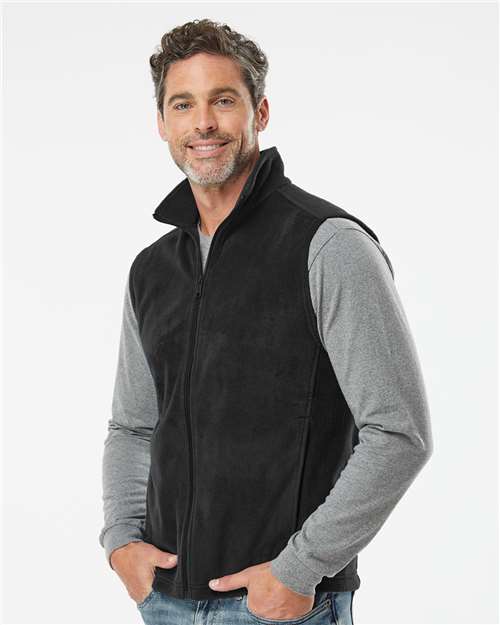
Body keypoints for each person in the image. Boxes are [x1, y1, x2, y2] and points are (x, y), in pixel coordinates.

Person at [99, 18, 433, 625]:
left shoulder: (328, 245)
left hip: (283, 605)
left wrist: (299, 568)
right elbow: (133, 425)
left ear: (261, 112)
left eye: (224, 100)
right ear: (162, 123)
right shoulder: (151, 270)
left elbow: (398, 432)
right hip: (165, 601)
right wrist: (122, 541)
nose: (203, 122)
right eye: (183, 104)